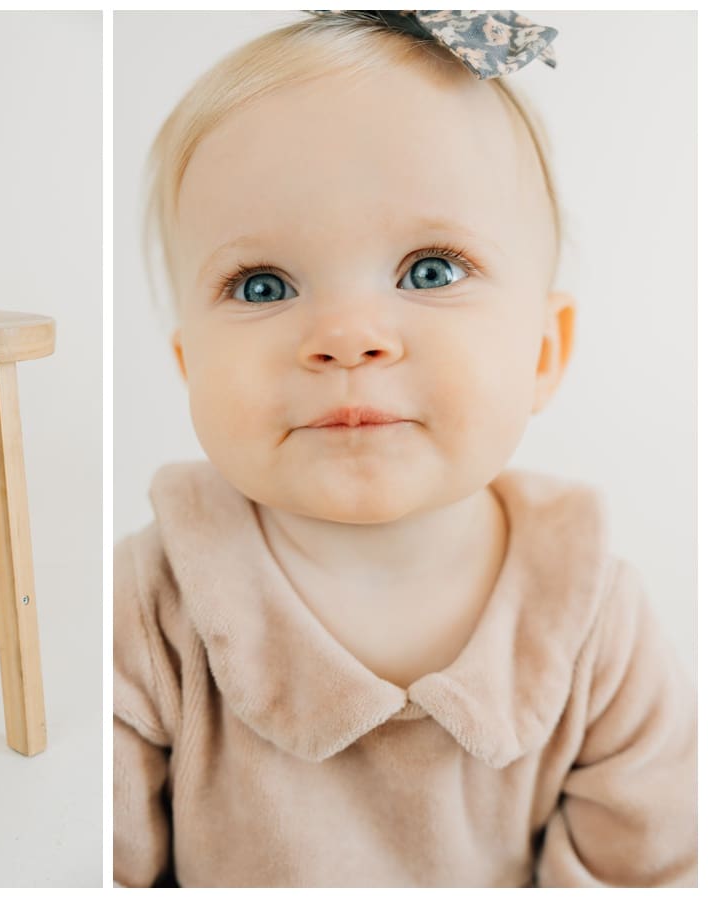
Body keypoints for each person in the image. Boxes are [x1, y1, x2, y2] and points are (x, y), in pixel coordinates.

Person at [113, 13, 695, 887]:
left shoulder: (594, 617)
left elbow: (640, 870)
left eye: (430, 269)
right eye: (263, 285)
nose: (348, 338)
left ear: (543, 353)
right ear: (189, 368)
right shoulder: (149, 606)